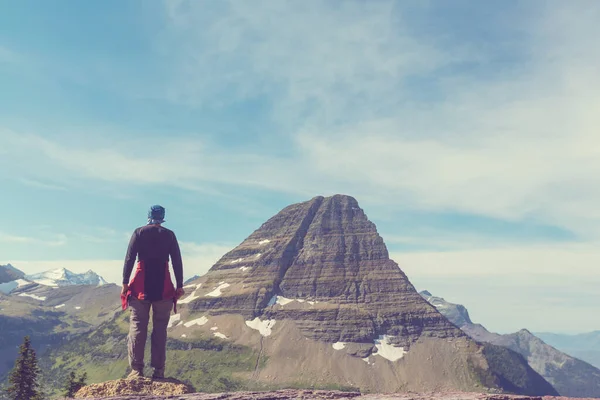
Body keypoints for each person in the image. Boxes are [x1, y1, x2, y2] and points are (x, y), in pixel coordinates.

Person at [121, 205, 185, 379]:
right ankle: (159, 371)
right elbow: (177, 261)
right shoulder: (169, 235)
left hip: (141, 286)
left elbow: (130, 258)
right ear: (162, 218)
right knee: (160, 330)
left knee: (137, 327)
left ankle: (136, 370)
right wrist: (179, 284)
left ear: (148, 216)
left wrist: (125, 282)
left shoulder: (139, 232)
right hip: (163, 287)